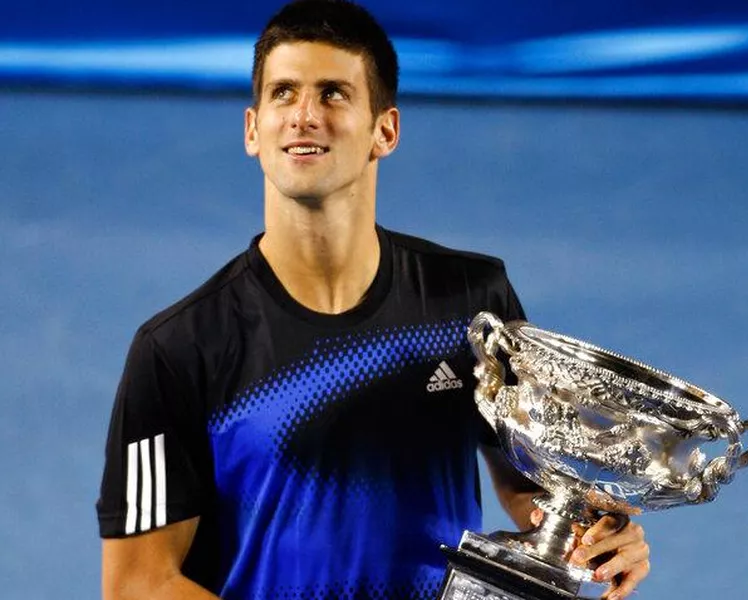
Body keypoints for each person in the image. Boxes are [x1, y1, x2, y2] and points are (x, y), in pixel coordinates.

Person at [97, 1, 650, 599]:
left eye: (333, 93)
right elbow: (138, 584)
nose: (304, 115)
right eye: (283, 93)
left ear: (383, 130)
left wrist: (591, 534)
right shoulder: (178, 348)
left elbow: (532, 489)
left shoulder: (472, 302)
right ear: (253, 129)